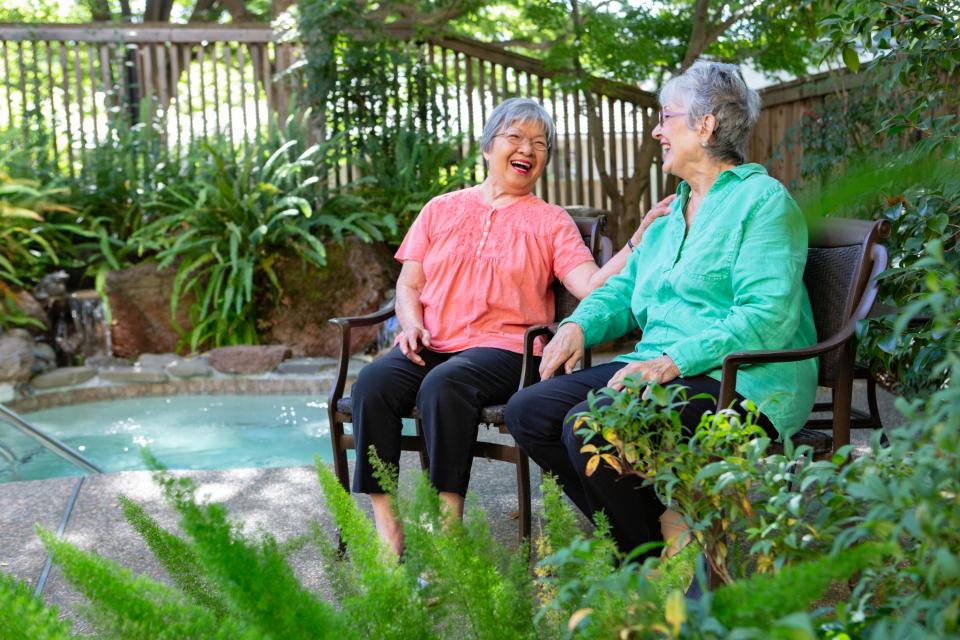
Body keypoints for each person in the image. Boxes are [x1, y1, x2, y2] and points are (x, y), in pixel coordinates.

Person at [505, 61, 818, 559]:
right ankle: (652, 542)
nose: (657, 130)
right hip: (660, 369)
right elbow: (624, 290)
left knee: (592, 423)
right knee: (530, 411)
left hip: (741, 382)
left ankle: (650, 560)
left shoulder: (762, 202)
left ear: (706, 124)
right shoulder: (673, 211)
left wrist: (672, 362)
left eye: (665, 117)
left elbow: (766, 318)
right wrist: (577, 326)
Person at [350, 97, 673, 556]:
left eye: (540, 143)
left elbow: (591, 284)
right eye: (516, 137)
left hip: (504, 351)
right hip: (435, 340)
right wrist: (412, 323)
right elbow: (409, 281)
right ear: (488, 147)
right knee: (372, 385)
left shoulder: (550, 221)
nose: (529, 149)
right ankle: (389, 532)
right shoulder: (440, 208)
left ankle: (449, 531)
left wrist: (637, 240)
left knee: (444, 385)